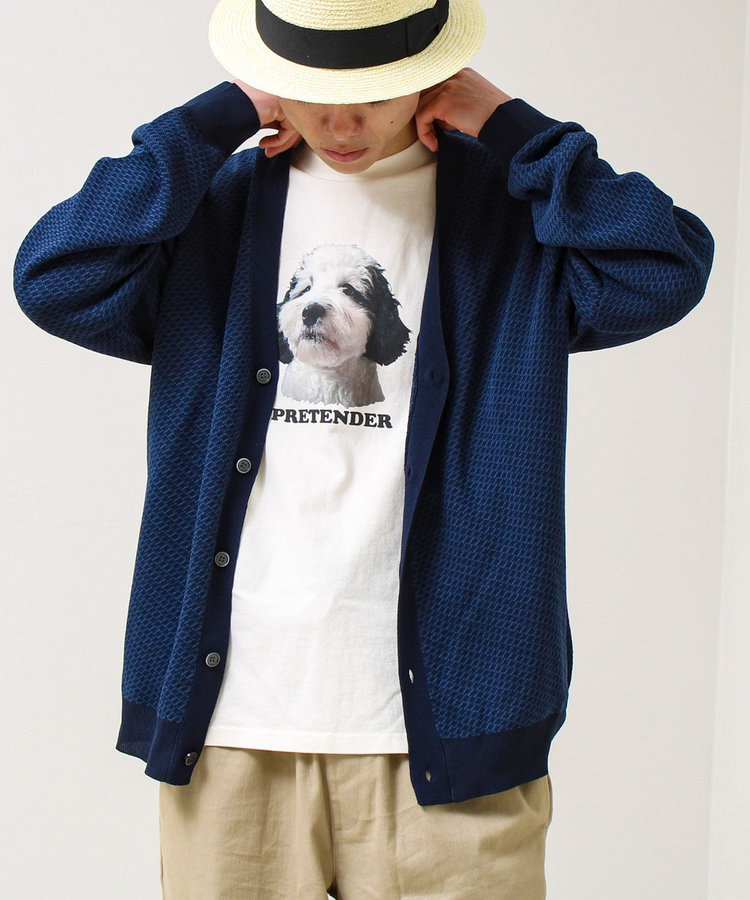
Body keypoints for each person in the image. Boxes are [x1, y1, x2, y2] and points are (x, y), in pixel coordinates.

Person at [13, 0, 714, 897]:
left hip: (455, 723)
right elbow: (56, 277)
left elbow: (663, 266)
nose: (342, 126)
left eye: (372, 96)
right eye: (317, 94)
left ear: (431, 76)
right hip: (234, 722)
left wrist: (516, 130)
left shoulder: (510, 220)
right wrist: (215, 120)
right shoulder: (216, 209)